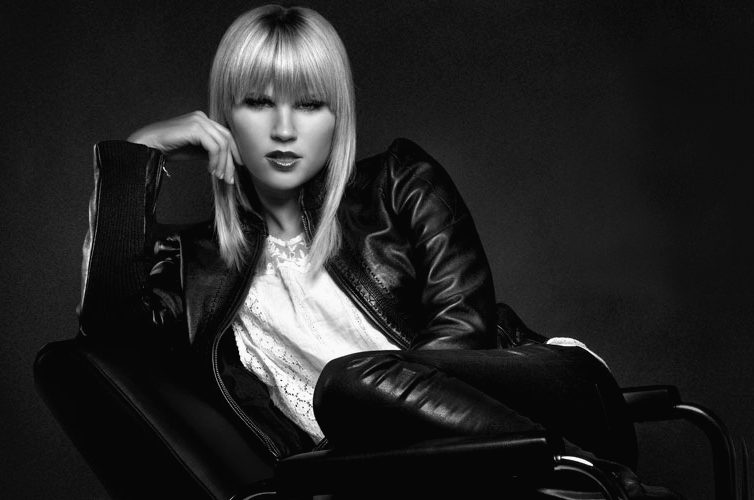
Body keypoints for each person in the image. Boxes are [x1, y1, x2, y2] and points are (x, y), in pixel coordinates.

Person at [79, 4, 659, 498]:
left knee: (347, 384)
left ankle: (582, 478)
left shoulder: (399, 184)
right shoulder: (194, 268)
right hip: (409, 477)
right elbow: (107, 328)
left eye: (310, 104)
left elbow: (464, 337)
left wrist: (370, 419)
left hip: (549, 399)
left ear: (338, 117)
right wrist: (140, 153)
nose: (284, 129)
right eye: (258, 102)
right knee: (349, 393)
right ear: (225, 116)